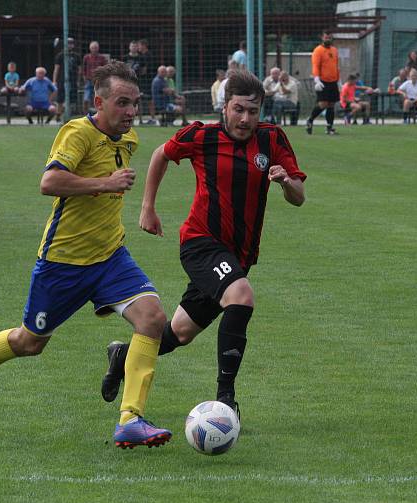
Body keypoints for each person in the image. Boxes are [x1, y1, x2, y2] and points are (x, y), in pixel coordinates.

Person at [0, 60, 172, 450]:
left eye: (135, 103)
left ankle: (130, 419)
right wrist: (106, 183)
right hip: (63, 262)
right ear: (98, 101)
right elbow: (49, 182)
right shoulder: (77, 133)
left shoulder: (129, 138)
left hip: (110, 256)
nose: (131, 112)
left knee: (152, 319)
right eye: (122, 103)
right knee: (30, 342)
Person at [100, 69, 307, 421]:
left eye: (253, 112)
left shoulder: (271, 140)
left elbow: (299, 198)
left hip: (239, 254)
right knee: (241, 296)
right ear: (225, 106)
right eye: (239, 109)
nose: (245, 119)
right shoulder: (201, 135)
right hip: (200, 243)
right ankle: (226, 400)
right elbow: (160, 155)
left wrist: (286, 181)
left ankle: (122, 357)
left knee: (180, 333)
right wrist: (147, 208)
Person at [306, 30, 340, 135]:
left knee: (331, 105)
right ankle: (310, 120)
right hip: (322, 81)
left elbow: (336, 66)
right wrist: (317, 80)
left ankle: (329, 127)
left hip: (333, 81)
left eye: (330, 37)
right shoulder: (318, 50)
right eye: (326, 37)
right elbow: (315, 66)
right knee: (323, 104)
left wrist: (339, 81)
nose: (328, 39)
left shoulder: (334, 50)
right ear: (322, 38)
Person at [53, 37, 80, 122]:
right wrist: (54, 81)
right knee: (60, 98)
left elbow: (80, 70)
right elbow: (56, 69)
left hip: (73, 80)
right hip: (62, 80)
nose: (70, 45)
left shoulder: (76, 56)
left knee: (72, 99)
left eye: (71, 43)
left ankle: (69, 114)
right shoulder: (60, 55)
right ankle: (58, 114)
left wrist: (79, 80)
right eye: (68, 43)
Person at [82, 41, 108, 115]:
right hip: (89, 81)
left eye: (95, 47)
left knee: (98, 99)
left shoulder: (102, 58)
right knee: (86, 99)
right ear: (90, 48)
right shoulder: (86, 57)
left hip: (99, 82)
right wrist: (84, 77)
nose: (94, 49)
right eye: (93, 48)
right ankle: (85, 115)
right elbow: (83, 68)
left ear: (98, 48)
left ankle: (98, 115)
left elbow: (105, 69)